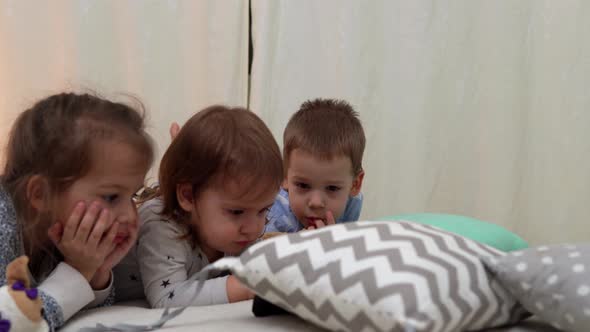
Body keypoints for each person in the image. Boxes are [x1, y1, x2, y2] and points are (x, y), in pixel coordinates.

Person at [0, 92, 154, 330]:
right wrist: (78, 270)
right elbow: (9, 323)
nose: (130, 216)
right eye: (111, 197)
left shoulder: (56, 227)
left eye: (133, 196)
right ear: (40, 194)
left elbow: (76, 315)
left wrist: (96, 272)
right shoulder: (3, 221)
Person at [265, 98, 366, 233]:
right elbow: (258, 250)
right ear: (284, 176)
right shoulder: (273, 212)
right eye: (303, 185)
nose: (316, 202)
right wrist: (297, 244)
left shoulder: (351, 204)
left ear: (355, 184)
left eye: (332, 188)